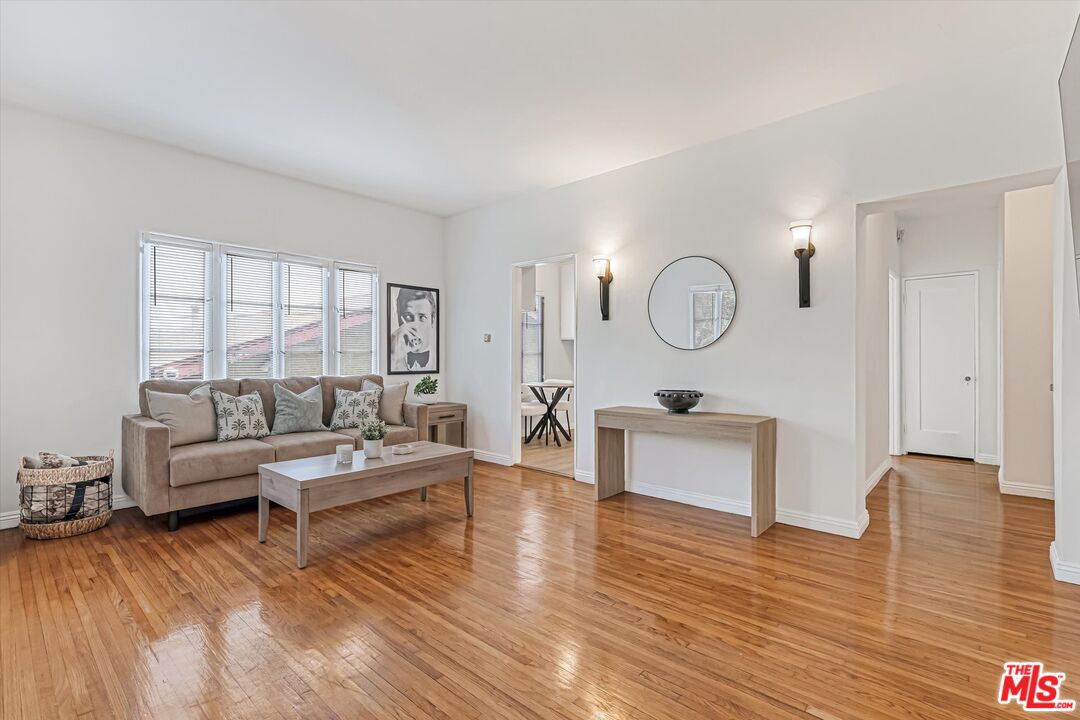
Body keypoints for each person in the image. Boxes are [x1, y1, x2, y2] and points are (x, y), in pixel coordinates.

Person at [391, 287, 436, 371]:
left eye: (422, 317)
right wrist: (393, 356)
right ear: (398, 318)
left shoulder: (442, 360)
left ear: (432, 320)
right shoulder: (391, 357)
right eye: (408, 316)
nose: (415, 326)